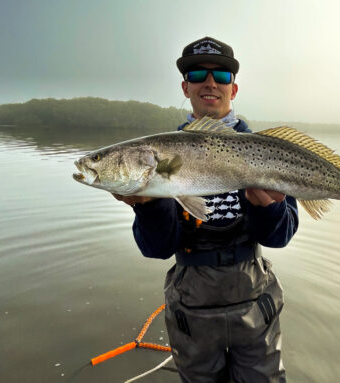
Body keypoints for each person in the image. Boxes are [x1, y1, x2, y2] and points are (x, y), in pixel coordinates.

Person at [113, 36, 299, 383]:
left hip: (255, 296)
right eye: (198, 74)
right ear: (186, 87)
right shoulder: (163, 156)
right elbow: (156, 249)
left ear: (234, 87)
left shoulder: (269, 151)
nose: (210, 82)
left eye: (222, 76)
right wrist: (150, 207)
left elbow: (280, 237)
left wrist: (268, 209)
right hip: (190, 304)